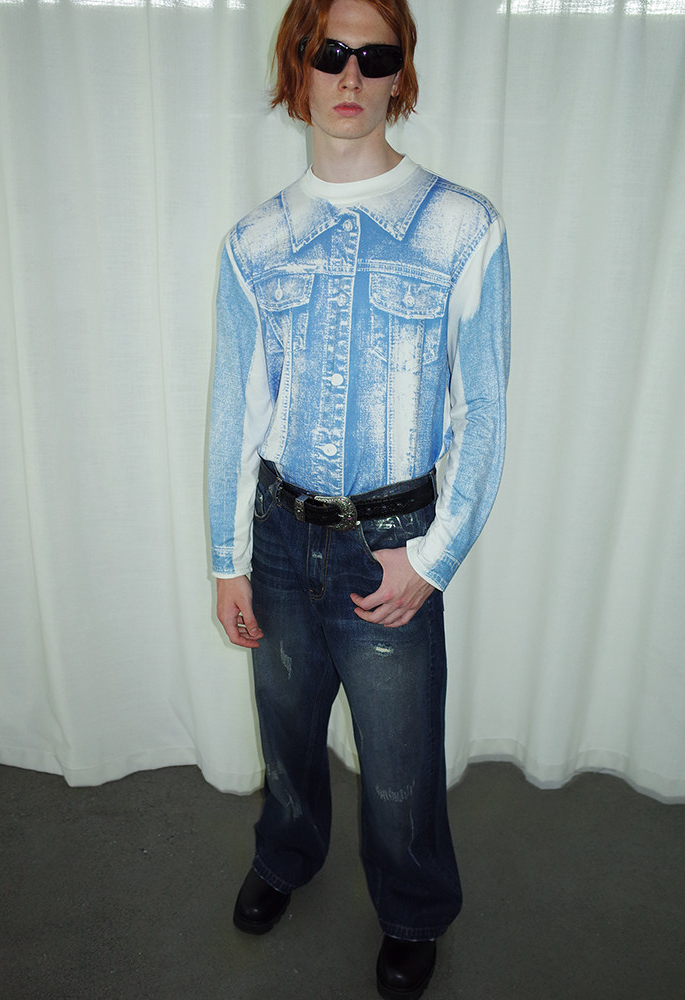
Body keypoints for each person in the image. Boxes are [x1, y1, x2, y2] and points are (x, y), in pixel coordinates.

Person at [208, 0, 510, 996]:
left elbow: (484, 408)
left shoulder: (463, 228)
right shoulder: (255, 243)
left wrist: (433, 557)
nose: (350, 75)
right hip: (280, 539)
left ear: (398, 75)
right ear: (298, 66)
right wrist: (227, 560)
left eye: (373, 56)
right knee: (287, 732)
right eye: (329, 52)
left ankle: (415, 909)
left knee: (400, 760)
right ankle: (286, 855)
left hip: (392, 542)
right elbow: (235, 411)